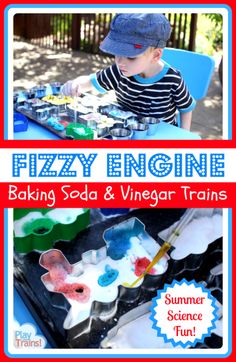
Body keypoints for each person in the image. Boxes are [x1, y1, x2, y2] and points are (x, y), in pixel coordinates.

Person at [62, 13, 196, 130]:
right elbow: (89, 82)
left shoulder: (173, 79)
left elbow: (186, 108)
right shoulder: (119, 71)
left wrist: (185, 135)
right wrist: (74, 84)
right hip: (126, 133)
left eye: (131, 57)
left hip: (160, 137)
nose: (120, 61)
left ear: (155, 56)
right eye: (117, 53)